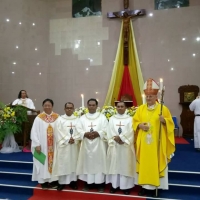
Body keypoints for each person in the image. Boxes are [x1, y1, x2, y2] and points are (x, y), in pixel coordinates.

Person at [133, 78, 175, 197]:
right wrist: (139, 125)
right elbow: (134, 122)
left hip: (157, 143)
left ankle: (157, 186)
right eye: (147, 96)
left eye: (151, 96)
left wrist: (165, 121)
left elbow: (171, 124)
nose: (148, 98)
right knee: (144, 165)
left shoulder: (163, 109)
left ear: (156, 96)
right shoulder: (140, 109)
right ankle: (144, 187)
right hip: (144, 143)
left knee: (156, 163)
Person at [76, 98, 108, 192]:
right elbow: (78, 129)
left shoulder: (102, 117)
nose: (91, 107)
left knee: (99, 163)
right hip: (86, 144)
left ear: (97, 106)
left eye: (93, 105)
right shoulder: (82, 118)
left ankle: (100, 184)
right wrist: (84, 134)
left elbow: (106, 129)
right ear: (87, 106)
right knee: (87, 163)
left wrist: (98, 133)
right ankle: (87, 184)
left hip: (99, 144)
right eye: (90, 105)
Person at [106, 101, 136, 195]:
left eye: (122, 106)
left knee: (125, 166)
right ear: (116, 108)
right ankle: (114, 185)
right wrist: (115, 139)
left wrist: (122, 138)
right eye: (118, 106)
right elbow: (109, 131)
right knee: (115, 165)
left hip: (125, 146)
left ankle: (126, 187)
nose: (120, 108)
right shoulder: (111, 119)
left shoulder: (130, 119)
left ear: (125, 108)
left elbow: (131, 131)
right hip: (114, 145)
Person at [31, 99, 59, 190]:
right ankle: (43, 181)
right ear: (43, 106)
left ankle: (53, 180)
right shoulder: (39, 118)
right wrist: (37, 144)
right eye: (45, 105)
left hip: (54, 145)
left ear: (52, 106)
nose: (47, 107)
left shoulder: (57, 117)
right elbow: (34, 132)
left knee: (54, 162)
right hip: (42, 146)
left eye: (49, 105)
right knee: (42, 162)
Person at [53, 102, 80, 191]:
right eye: (67, 108)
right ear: (64, 109)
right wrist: (68, 139)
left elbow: (80, 131)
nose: (69, 109)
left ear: (73, 109)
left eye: (71, 108)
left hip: (73, 146)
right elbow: (57, 131)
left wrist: (74, 139)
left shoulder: (77, 120)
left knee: (73, 163)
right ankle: (61, 182)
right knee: (63, 163)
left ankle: (73, 181)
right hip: (64, 146)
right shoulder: (60, 119)